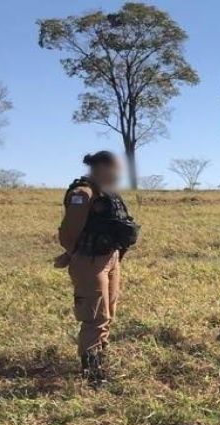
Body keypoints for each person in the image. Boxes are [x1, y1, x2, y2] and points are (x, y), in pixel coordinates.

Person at [54, 151, 140, 387]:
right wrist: (72, 254)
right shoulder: (83, 194)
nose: (117, 174)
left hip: (111, 258)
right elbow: (69, 231)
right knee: (95, 316)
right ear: (101, 167)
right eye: (113, 168)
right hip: (89, 260)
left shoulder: (107, 193)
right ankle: (92, 373)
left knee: (108, 313)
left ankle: (101, 358)